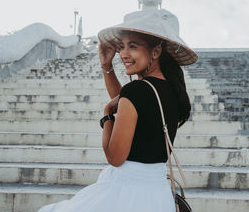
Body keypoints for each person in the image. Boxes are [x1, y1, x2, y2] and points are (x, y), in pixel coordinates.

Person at [37, 12, 198, 212]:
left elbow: (115, 157)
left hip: (126, 192)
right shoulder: (171, 90)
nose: (123, 54)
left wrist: (106, 116)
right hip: (157, 194)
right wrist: (107, 66)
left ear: (156, 52)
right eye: (121, 46)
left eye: (133, 46)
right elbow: (129, 106)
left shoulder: (139, 90)